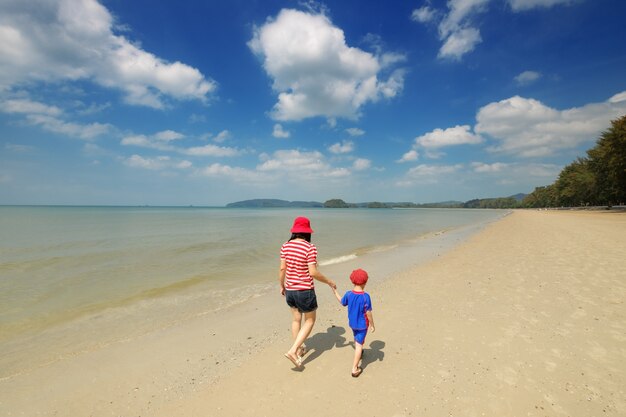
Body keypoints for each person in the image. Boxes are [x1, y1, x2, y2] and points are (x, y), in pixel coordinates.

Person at [279, 216, 336, 368]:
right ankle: (293, 350)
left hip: (290, 290)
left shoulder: (285, 246)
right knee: (310, 320)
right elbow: (313, 272)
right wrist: (329, 281)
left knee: (296, 320)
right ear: (307, 232)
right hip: (304, 291)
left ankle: (298, 351)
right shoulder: (310, 248)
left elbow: (282, 269)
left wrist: (282, 285)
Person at [332, 268, 375, 377]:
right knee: (359, 344)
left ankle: (359, 350)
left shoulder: (348, 294)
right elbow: (368, 312)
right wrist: (372, 325)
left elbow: (342, 301)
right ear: (365, 282)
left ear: (352, 281)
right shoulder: (366, 297)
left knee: (356, 338)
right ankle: (354, 368)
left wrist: (335, 291)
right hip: (362, 325)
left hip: (352, 324)